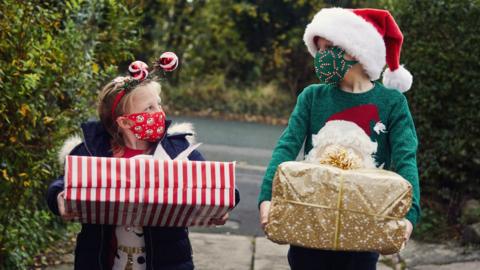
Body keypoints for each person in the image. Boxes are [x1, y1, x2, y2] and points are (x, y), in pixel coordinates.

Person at [258, 7, 420, 270]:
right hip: (308, 225)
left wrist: (409, 216)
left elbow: (406, 160)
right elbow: (286, 146)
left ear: (356, 49)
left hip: (363, 230)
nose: (321, 56)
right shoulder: (312, 97)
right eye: (318, 49)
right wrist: (267, 197)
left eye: (329, 47)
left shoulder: (392, 103)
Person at [47, 58, 240, 270]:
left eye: (159, 104)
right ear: (125, 122)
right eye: (149, 108)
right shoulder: (95, 151)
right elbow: (63, 183)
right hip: (102, 261)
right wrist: (59, 196)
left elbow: (216, 185)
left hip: (168, 261)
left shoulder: (176, 149)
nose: (159, 112)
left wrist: (224, 204)